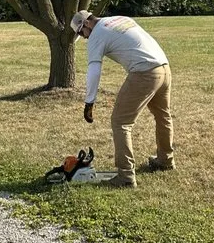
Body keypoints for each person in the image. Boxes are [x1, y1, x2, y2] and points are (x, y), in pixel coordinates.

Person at [70, 10, 175, 188]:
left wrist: (89, 102)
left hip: (144, 72)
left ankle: (125, 176)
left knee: (120, 122)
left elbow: (94, 70)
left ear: (87, 23)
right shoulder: (120, 18)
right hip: (164, 68)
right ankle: (166, 160)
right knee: (163, 115)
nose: (84, 38)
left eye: (81, 33)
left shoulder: (97, 34)